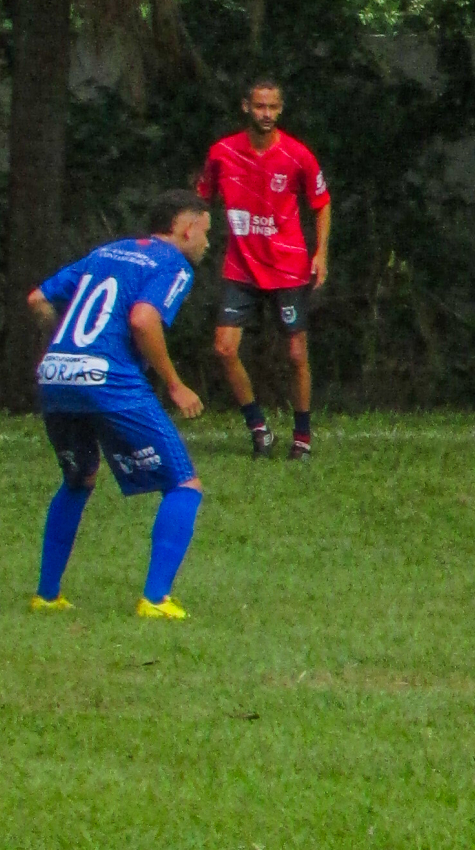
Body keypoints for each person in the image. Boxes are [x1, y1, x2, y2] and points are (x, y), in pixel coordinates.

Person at [26, 190, 211, 620]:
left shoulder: (106, 252)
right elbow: (143, 319)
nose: (207, 243)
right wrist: (175, 384)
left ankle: (47, 596)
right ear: (186, 229)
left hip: (56, 373)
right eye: (206, 233)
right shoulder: (173, 264)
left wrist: (63, 347)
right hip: (110, 378)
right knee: (184, 484)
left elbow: (37, 298)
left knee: (79, 478)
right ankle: (155, 600)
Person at [198, 78, 332, 461]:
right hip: (240, 265)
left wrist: (321, 253)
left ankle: (302, 437)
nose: (267, 114)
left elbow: (322, 202)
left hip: (287, 265)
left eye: (273, 107)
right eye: (260, 106)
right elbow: (200, 199)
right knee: (224, 348)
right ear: (246, 107)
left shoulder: (297, 155)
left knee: (296, 354)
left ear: (281, 109)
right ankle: (259, 429)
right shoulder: (223, 153)